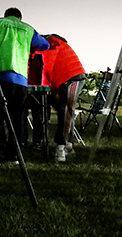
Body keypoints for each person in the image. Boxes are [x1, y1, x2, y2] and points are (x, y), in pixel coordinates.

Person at [0, 7, 49, 164]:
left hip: (0, 78)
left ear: (6, 15)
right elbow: (45, 45)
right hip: (21, 81)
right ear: (20, 17)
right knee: (17, 120)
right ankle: (13, 156)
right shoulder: (28, 28)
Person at [39, 34, 86, 162]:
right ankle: (68, 145)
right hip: (70, 78)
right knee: (64, 111)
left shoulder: (50, 44)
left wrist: (48, 88)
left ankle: (61, 146)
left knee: (65, 110)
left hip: (72, 77)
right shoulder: (57, 43)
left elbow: (47, 69)